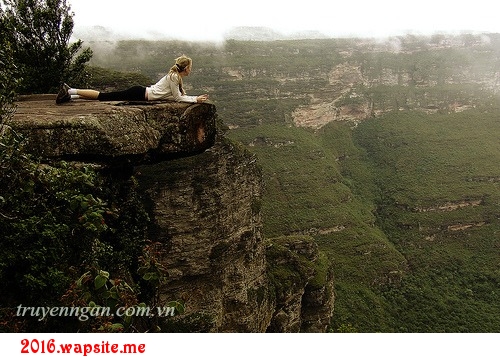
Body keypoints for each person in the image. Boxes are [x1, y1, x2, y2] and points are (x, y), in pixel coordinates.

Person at [56, 55, 209, 104]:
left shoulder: (174, 76)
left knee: (105, 97)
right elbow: (177, 98)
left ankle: (71, 96)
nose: (191, 69)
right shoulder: (174, 77)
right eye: (190, 67)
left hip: (141, 93)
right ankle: (70, 90)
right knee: (103, 97)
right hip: (139, 94)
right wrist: (196, 99)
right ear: (186, 68)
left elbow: (172, 96)